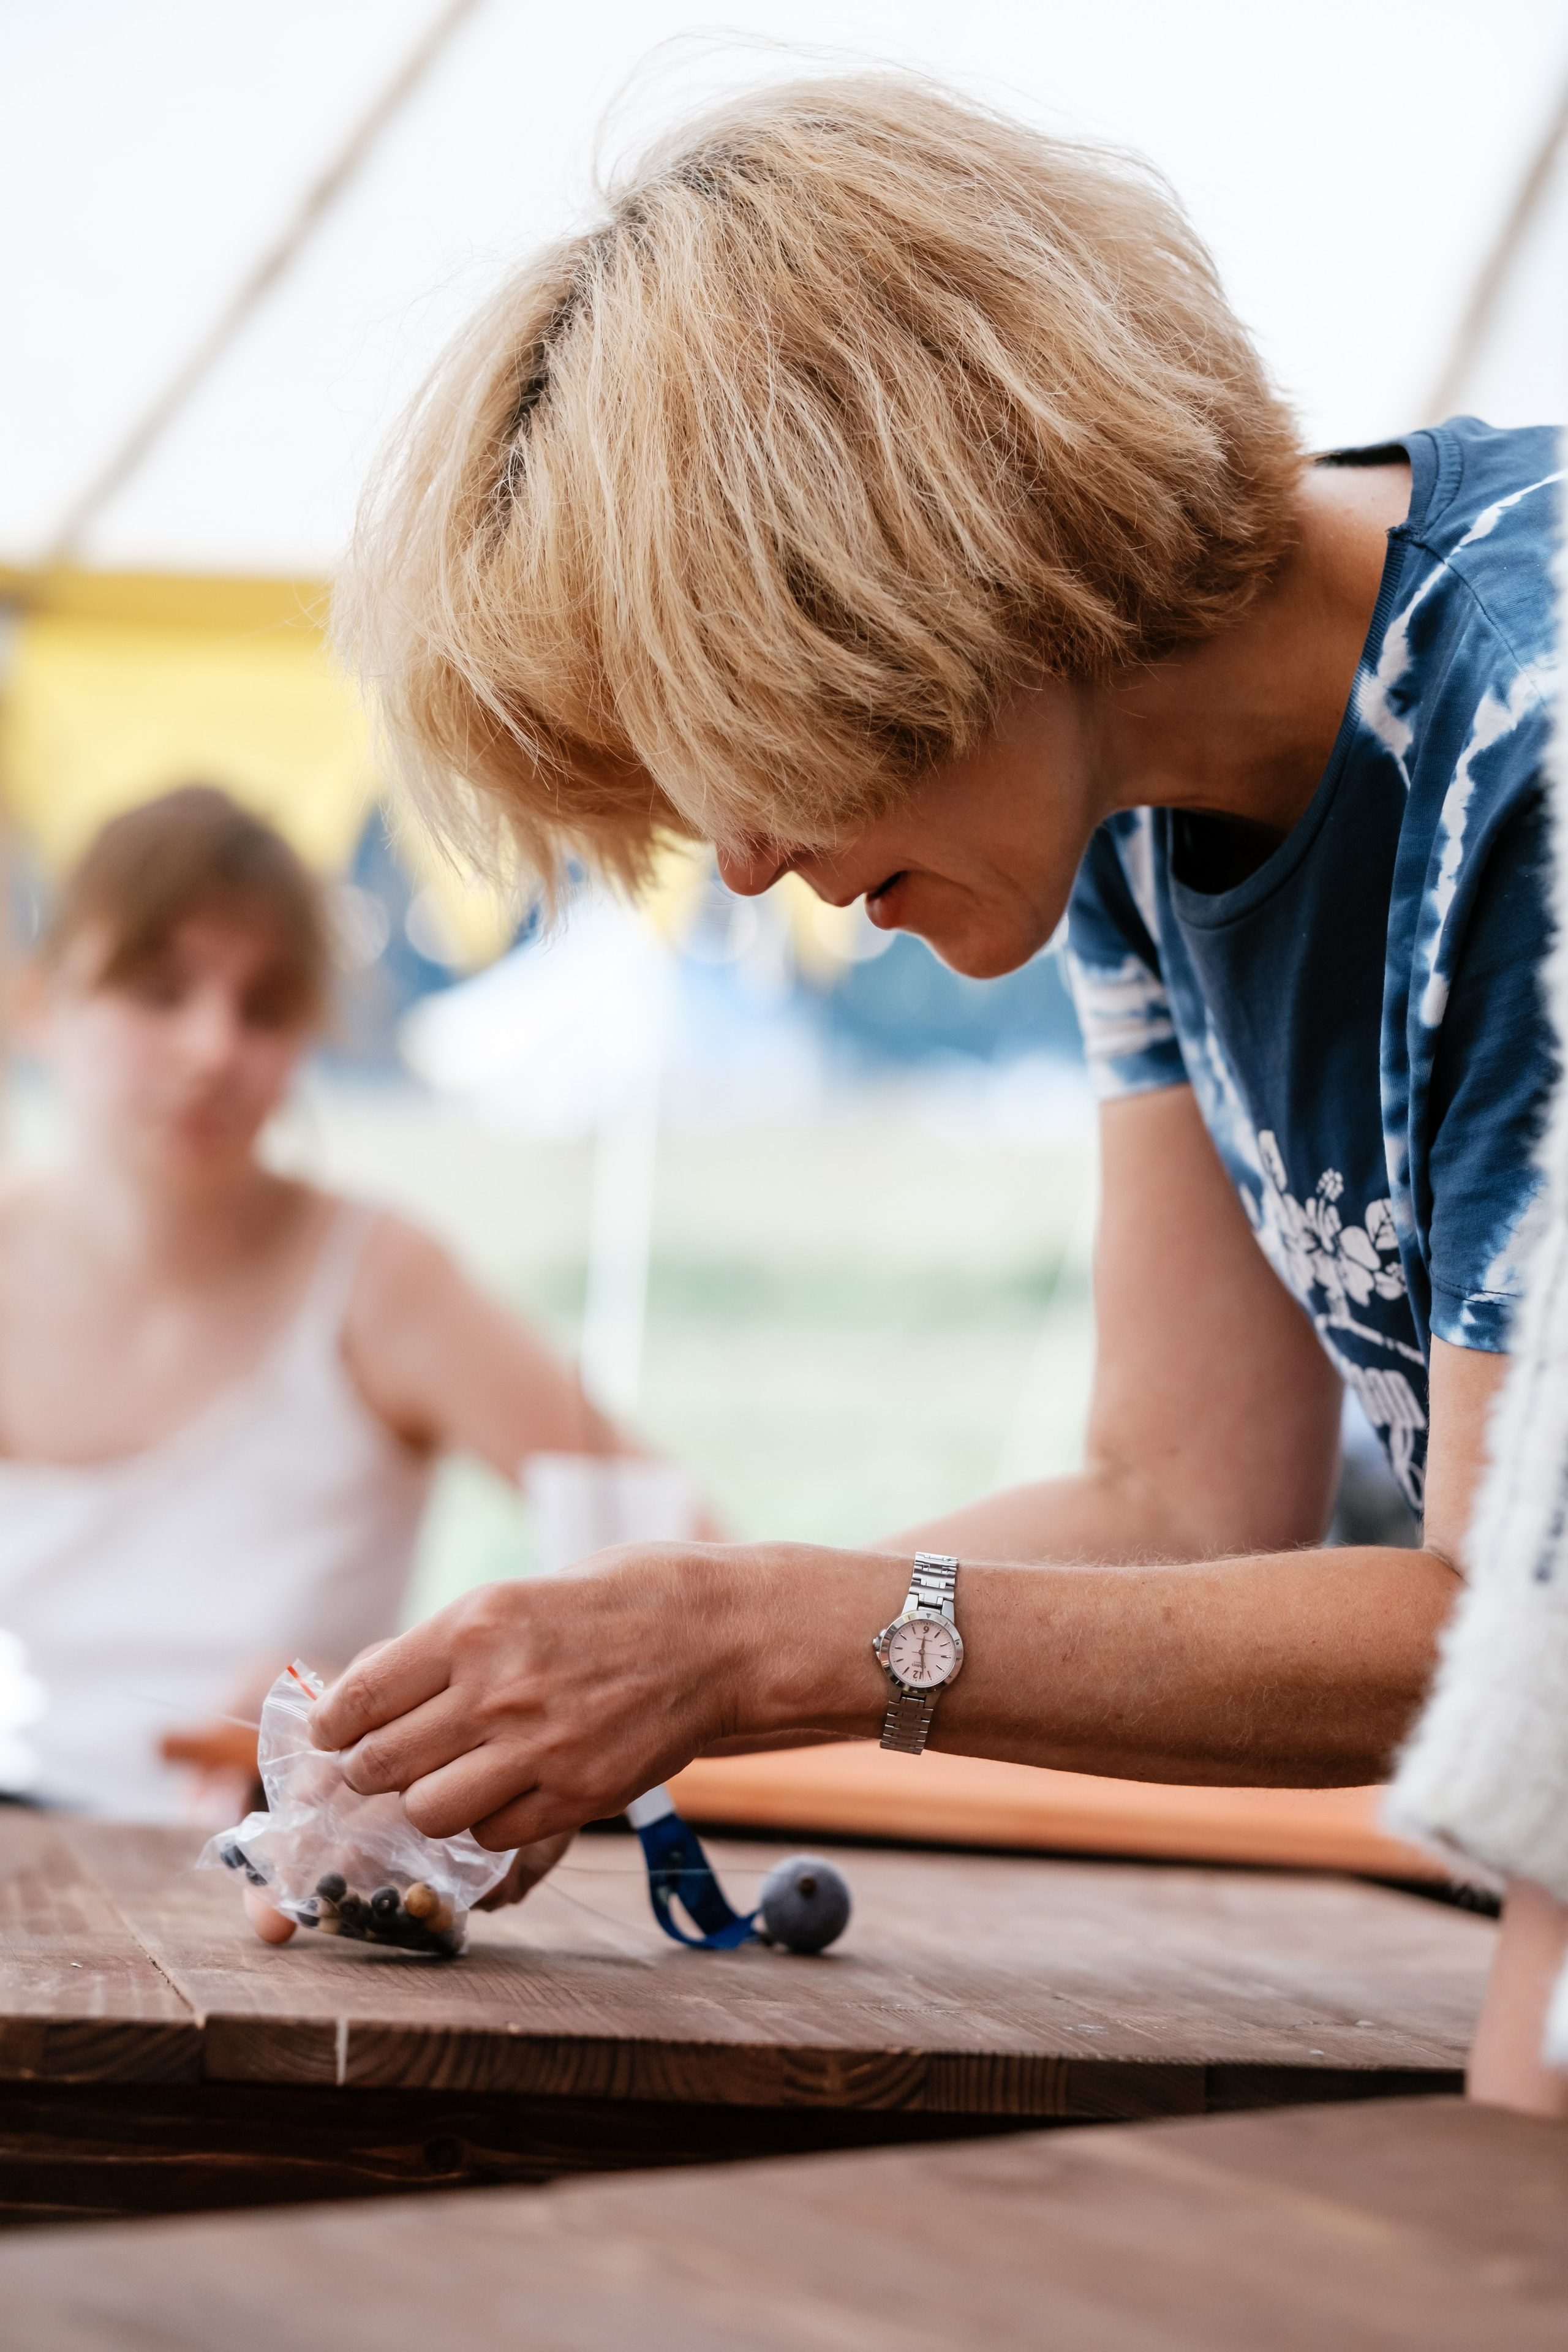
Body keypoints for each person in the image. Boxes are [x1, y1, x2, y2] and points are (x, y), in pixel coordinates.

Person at [312, 78, 1560, 1883]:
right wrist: (612, 1671)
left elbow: (1520, 1628)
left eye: (733, 737)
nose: (737, 862)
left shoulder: (1532, 731)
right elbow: (1179, 1508)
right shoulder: (1132, 793)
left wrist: (760, 1641)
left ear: (915, 568)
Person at [0, 785, 655, 1825]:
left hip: (293, 1879)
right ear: (38, 1004)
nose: (214, 1048)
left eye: (263, 1009)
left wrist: (400, 1694)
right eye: (159, 990)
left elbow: (664, 1546)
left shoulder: (381, 1280)